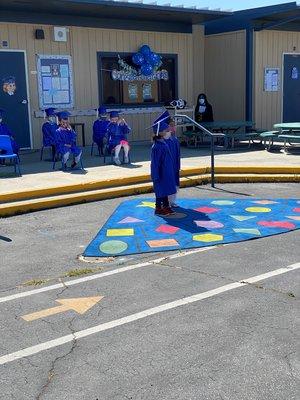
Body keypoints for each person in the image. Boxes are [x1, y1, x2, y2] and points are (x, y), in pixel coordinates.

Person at [151, 117, 177, 216]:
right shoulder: (156, 147)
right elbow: (155, 163)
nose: (168, 132)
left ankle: (166, 206)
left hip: (166, 171)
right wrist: (155, 175)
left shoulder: (163, 144)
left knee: (165, 189)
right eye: (166, 131)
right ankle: (158, 208)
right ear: (160, 133)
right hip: (160, 172)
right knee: (160, 191)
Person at [165, 118, 180, 207]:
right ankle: (166, 202)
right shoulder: (165, 140)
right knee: (168, 182)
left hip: (175, 165)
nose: (174, 127)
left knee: (174, 182)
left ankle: (172, 201)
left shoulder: (175, 139)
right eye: (171, 125)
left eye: (174, 125)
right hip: (168, 165)